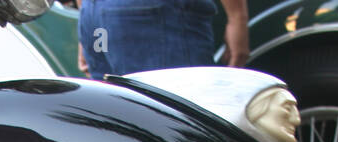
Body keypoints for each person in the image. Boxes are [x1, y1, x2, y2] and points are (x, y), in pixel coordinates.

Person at [77, 0, 250, 80]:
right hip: (149, 13)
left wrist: (86, 15)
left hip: (94, 18)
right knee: (181, 123)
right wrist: (237, 17)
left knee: (118, 123)